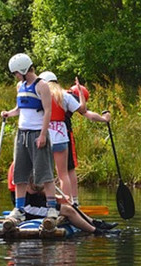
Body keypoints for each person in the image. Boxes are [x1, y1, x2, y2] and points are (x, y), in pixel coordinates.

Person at [1, 53, 57, 222]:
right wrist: (8, 113)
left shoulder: (42, 86)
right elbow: (19, 109)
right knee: (20, 172)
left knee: (44, 172)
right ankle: (19, 209)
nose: (16, 76)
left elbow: (48, 111)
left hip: (37, 133)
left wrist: (42, 135)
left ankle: (51, 209)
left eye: (17, 72)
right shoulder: (20, 86)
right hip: (22, 133)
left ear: (24, 69)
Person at [39, 71, 86, 200]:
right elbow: (83, 110)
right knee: (64, 174)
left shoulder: (40, 95)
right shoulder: (65, 95)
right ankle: (69, 202)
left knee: (44, 175)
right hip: (62, 138)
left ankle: (49, 203)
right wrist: (81, 93)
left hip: (44, 138)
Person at [64, 82, 111, 205]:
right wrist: (104, 119)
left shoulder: (57, 94)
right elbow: (89, 115)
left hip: (46, 135)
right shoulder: (72, 98)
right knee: (70, 169)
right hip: (64, 135)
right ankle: (74, 201)